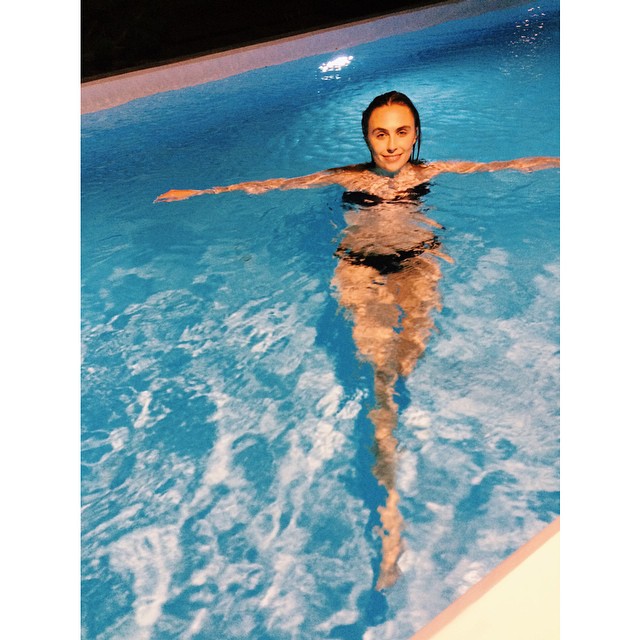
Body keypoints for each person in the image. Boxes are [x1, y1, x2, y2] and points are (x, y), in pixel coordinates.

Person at [155, 91, 559, 590]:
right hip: (359, 266)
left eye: (402, 132)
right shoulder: (348, 177)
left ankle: (391, 445)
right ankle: (389, 506)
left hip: (418, 260)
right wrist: (199, 193)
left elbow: (505, 165)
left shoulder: (431, 171)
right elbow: (274, 184)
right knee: (380, 376)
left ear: (416, 133)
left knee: (407, 360)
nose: (391, 145)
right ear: (366, 137)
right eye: (380, 133)